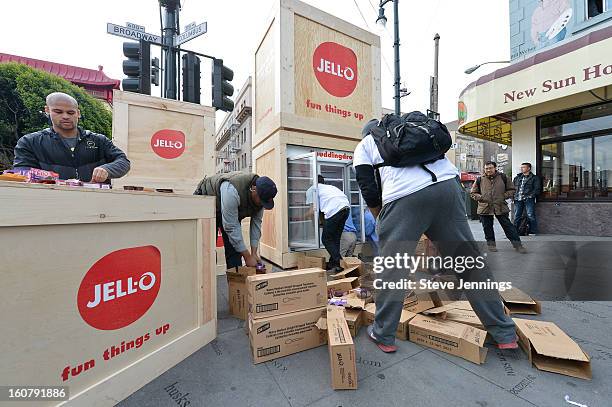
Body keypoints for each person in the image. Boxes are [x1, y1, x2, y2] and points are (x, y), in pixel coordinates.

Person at [355, 120, 517, 354]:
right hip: (448, 189)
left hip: (404, 196)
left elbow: (367, 185)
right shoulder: (416, 133)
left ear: (367, 134)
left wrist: (380, 216)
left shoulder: (366, 144)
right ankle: (504, 333)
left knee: (393, 267)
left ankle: (383, 334)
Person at [13, 92, 130, 182]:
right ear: (47, 110)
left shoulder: (98, 140)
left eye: (70, 113)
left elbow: (123, 161)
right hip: (48, 203)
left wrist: (107, 169)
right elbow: (21, 172)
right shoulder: (30, 142)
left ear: (78, 113)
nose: (65, 116)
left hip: (95, 203)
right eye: (58, 112)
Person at [194, 172, 277, 268]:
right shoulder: (232, 190)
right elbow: (231, 227)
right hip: (207, 201)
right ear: (254, 189)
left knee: (235, 252)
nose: (262, 204)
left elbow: (256, 224)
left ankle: (236, 282)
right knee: (208, 252)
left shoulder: (262, 197)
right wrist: (247, 257)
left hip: (229, 208)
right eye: (261, 201)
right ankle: (207, 282)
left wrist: (253, 253)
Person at [471, 162, 526, 253]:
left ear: (495, 168)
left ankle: (518, 246)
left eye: (490, 168)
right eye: (486, 168)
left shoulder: (503, 177)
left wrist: (504, 196)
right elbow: (473, 193)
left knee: (508, 227)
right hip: (485, 207)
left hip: (500, 206)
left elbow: (512, 189)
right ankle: (491, 245)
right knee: (487, 227)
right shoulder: (480, 179)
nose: (488, 170)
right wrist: (480, 197)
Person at [306, 175, 350, 273]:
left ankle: (340, 262)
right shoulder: (329, 187)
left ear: (313, 182)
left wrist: (302, 218)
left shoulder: (313, 189)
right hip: (346, 209)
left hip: (335, 210)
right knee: (335, 238)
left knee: (325, 239)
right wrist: (323, 223)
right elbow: (321, 210)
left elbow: (312, 211)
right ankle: (333, 264)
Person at [513, 162, 541, 235]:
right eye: (521, 167)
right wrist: (513, 196)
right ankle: (515, 232)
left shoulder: (534, 178)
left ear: (528, 168)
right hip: (518, 199)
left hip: (529, 199)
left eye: (523, 167)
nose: (521, 168)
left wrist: (530, 196)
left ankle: (533, 231)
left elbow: (537, 189)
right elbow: (513, 188)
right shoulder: (517, 178)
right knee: (517, 215)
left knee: (530, 215)